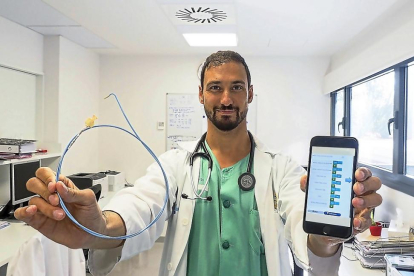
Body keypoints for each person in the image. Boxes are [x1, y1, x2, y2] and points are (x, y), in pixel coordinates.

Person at [15, 51, 382, 276]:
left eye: (237, 87)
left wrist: (328, 233)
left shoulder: (282, 168)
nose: (226, 98)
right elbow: (142, 203)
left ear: (250, 94)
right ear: (201, 95)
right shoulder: (176, 164)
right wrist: (101, 225)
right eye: (215, 87)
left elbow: (306, 228)